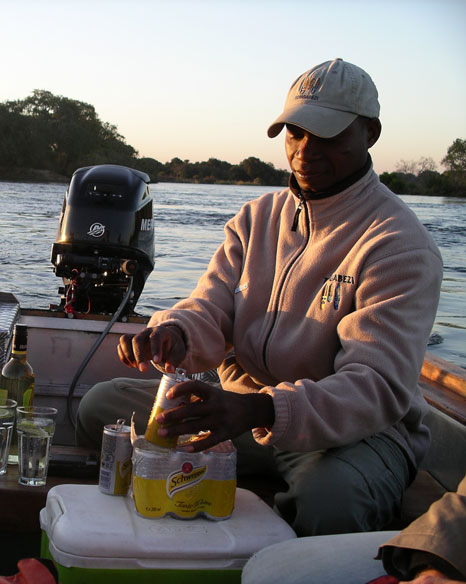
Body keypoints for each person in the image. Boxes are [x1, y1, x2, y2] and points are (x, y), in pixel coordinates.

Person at [75, 58, 444, 536]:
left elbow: (376, 388)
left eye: (328, 135)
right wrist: (175, 332)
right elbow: (211, 306)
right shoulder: (257, 218)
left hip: (356, 434)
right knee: (99, 408)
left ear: (369, 134)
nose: (305, 151)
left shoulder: (398, 244)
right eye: (296, 132)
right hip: (244, 413)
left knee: (330, 501)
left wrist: (260, 410)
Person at [241, 473, 466, 584]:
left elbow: (384, 392)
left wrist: (269, 409)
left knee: (331, 501)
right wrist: (436, 566)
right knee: (272, 573)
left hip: (369, 432)